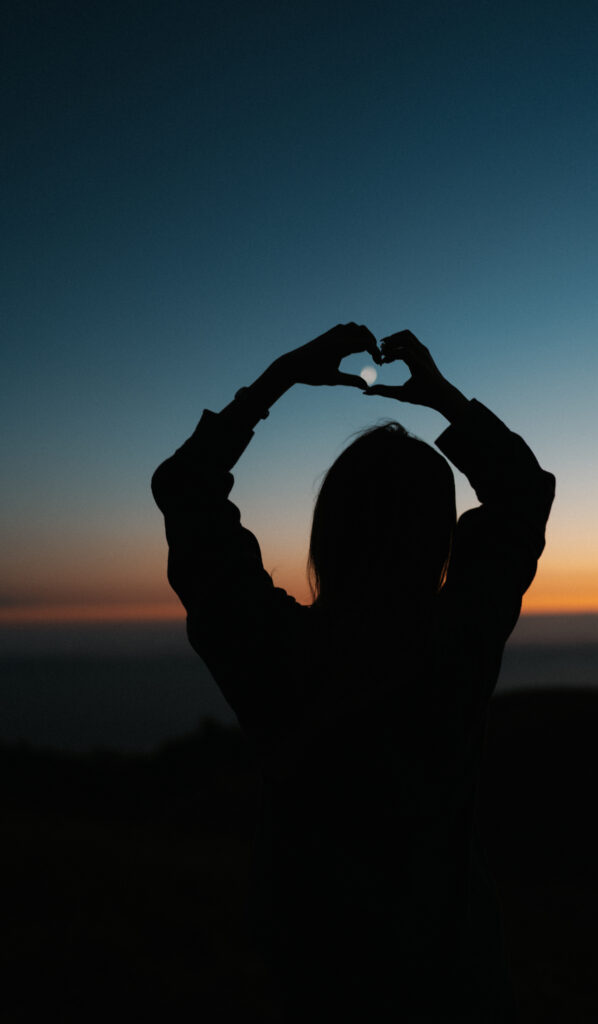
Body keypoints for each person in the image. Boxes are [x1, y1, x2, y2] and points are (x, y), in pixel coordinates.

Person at [151, 324, 555, 1022]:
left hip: (315, 976)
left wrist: (275, 381)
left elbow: (187, 490)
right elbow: (521, 494)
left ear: (327, 531)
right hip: (454, 978)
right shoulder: (456, 644)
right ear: (439, 539)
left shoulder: (270, 648)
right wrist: (444, 399)